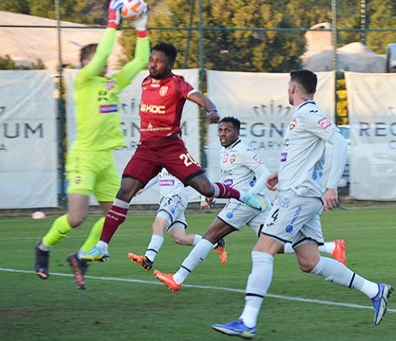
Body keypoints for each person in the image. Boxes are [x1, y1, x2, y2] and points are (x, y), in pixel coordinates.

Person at [211, 70, 392, 339]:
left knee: (262, 251)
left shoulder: (307, 113)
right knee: (309, 261)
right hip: (300, 194)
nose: (287, 89)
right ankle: (375, 291)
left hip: (297, 197)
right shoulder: (301, 116)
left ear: (294, 88)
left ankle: (247, 320)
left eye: (288, 85)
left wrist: (333, 185)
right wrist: (279, 174)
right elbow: (304, 157)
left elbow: (339, 141)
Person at [80, 42, 265, 264]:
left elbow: (201, 98)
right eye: (151, 60)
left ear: (170, 64)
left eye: (158, 61)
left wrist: (212, 110)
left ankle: (242, 195)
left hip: (171, 148)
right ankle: (102, 246)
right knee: (124, 193)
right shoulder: (146, 82)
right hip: (146, 149)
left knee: (205, 188)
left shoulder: (177, 84)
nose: (152, 64)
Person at [33, 0, 150, 290]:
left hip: (105, 159)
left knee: (115, 215)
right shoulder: (83, 80)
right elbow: (102, 54)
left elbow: (139, 61)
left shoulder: (112, 82)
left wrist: (142, 28)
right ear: (85, 63)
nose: (105, 61)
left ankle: (82, 256)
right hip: (84, 157)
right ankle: (43, 247)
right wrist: (113, 21)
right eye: (98, 58)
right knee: (76, 217)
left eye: (105, 59)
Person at [151, 117, 347, 291]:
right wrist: (214, 196)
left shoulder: (243, 150)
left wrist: (248, 195)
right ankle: (330, 247)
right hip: (251, 205)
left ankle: (178, 278)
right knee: (274, 245)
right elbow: (231, 179)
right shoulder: (225, 151)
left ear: (237, 132)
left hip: (245, 202)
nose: (222, 134)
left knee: (211, 236)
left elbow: (263, 173)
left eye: (227, 130)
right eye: (220, 130)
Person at [126, 169, 228, 271]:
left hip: (175, 197)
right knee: (179, 238)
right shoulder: (161, 161)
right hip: (167, 199)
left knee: (158, 224)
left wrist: (203, 199)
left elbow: (198, 178)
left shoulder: (179, 160)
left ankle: (148, 258)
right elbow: (155, 176)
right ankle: (216, 243)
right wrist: (142, 188)